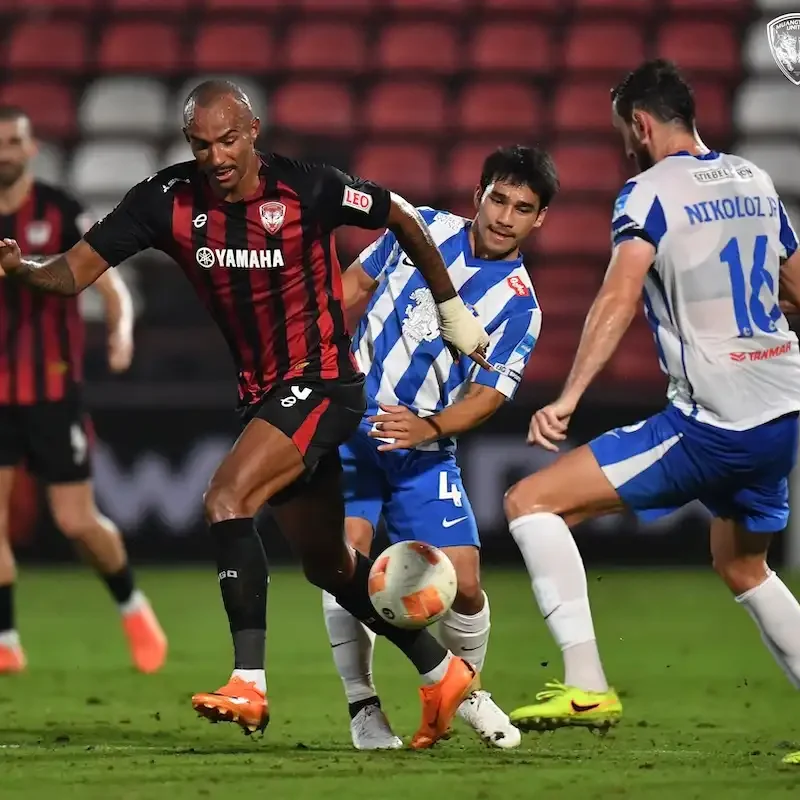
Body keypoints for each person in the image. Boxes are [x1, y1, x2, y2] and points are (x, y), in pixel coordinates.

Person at [0, 81, 492, 749]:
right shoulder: (166, 202)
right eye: (202, 145)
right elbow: (74, 271)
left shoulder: (309, 189)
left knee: (226, 498)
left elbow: (400, 214)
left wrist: (451, 311)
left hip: (322, 383)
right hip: (265, 394)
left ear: (253, 130)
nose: (217, 156)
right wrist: (22, 269)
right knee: (332, 568)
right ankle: (443, 673)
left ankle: (249, 684)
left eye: (228, 140)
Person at [499, 59, 800, 751]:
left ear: (639, 123)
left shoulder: (648, 193)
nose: (623, 143)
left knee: (531, 503)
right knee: (743, 564)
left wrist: (569, 396)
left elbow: (617, 294)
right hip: (780, 415)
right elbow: (796, 290)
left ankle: (586, 684)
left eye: (622, 130)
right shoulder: (756, 181)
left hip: (712, 424)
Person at [322, 145, 557, 750]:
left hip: (421, 452)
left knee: (467, 584)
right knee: (344, 565)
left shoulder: (520, 306)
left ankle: (467, 692)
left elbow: (488, 395)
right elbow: (352, 286)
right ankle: (363, 709)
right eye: (498, 199)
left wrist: (428, 428)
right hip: (350, 429)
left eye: (522, 208)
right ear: (479, 193)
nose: (505, 216)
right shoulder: (417, 229)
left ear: (540, 220)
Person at [0, 106, 167, 674]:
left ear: (31, 148)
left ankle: (131, 604)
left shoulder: (59, 209)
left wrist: (121, 332)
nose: (4, 152)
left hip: (51, 389)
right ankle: (5, 639)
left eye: (12, 142)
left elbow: (107, 279)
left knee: (75, 521)